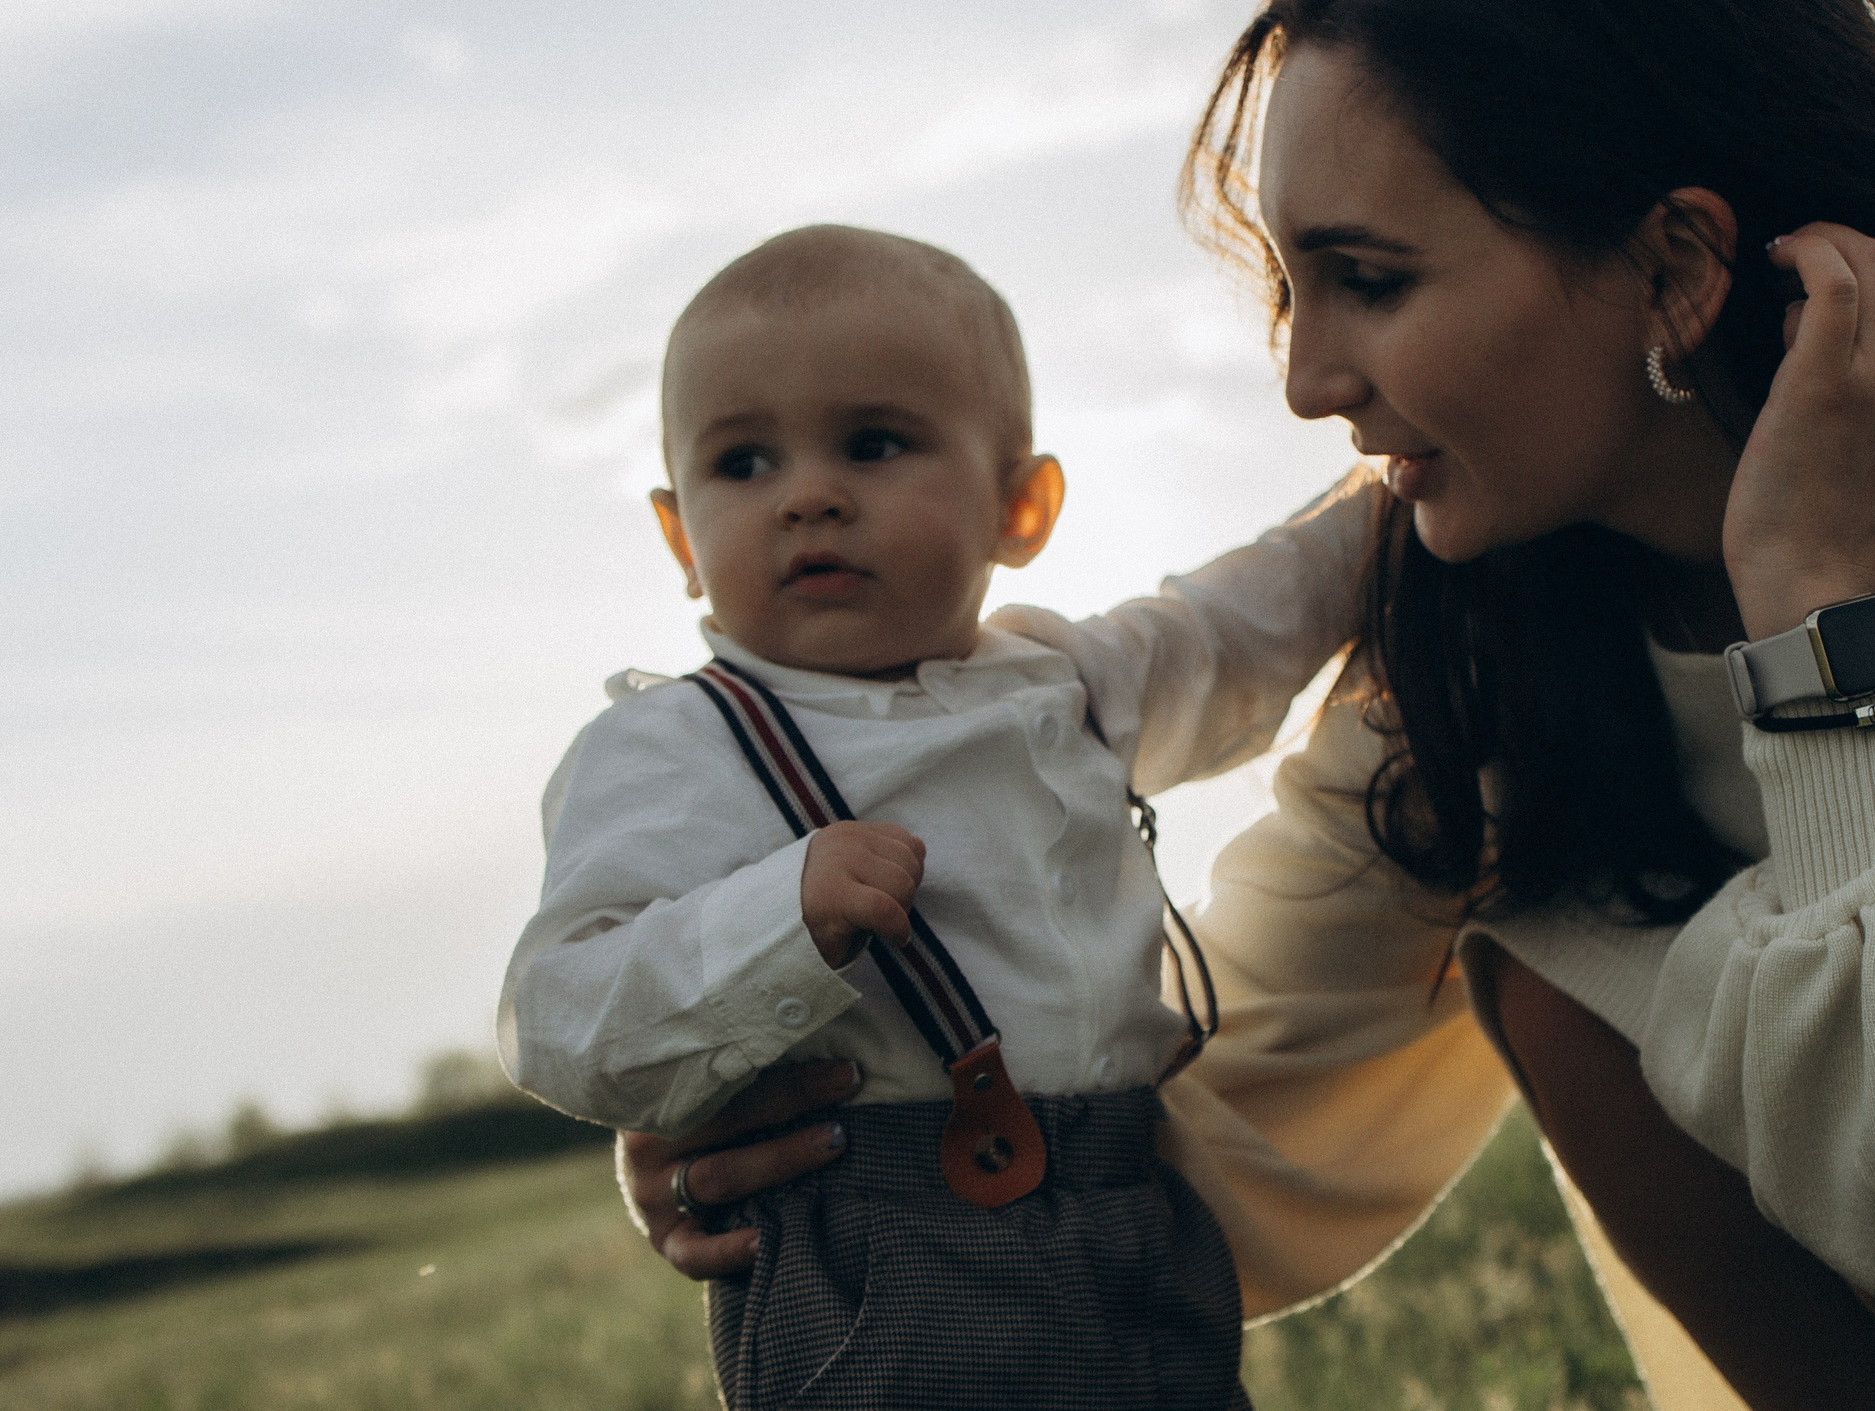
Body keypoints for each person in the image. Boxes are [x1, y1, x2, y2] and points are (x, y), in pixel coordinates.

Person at [612, 0, 1875, 1411]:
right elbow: (1208, 1138)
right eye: (1290, 286)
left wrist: (1819, 610)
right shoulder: (1479, 620)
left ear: (1676, 267)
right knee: (1563, 975)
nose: (1307, 379)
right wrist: (839, 1132)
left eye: (1372, 280)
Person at [498, 223, 1370, 1410]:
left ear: (1021, 506)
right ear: (678, 537)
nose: (808, 496)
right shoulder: (677, 746)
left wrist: (1390, 501)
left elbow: (1241, 623)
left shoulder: (1062, 683)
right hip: (879, 1261)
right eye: (743, 463)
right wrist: (774, 918)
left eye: (873, 444)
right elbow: (556, 1014)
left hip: (1130, 1214)